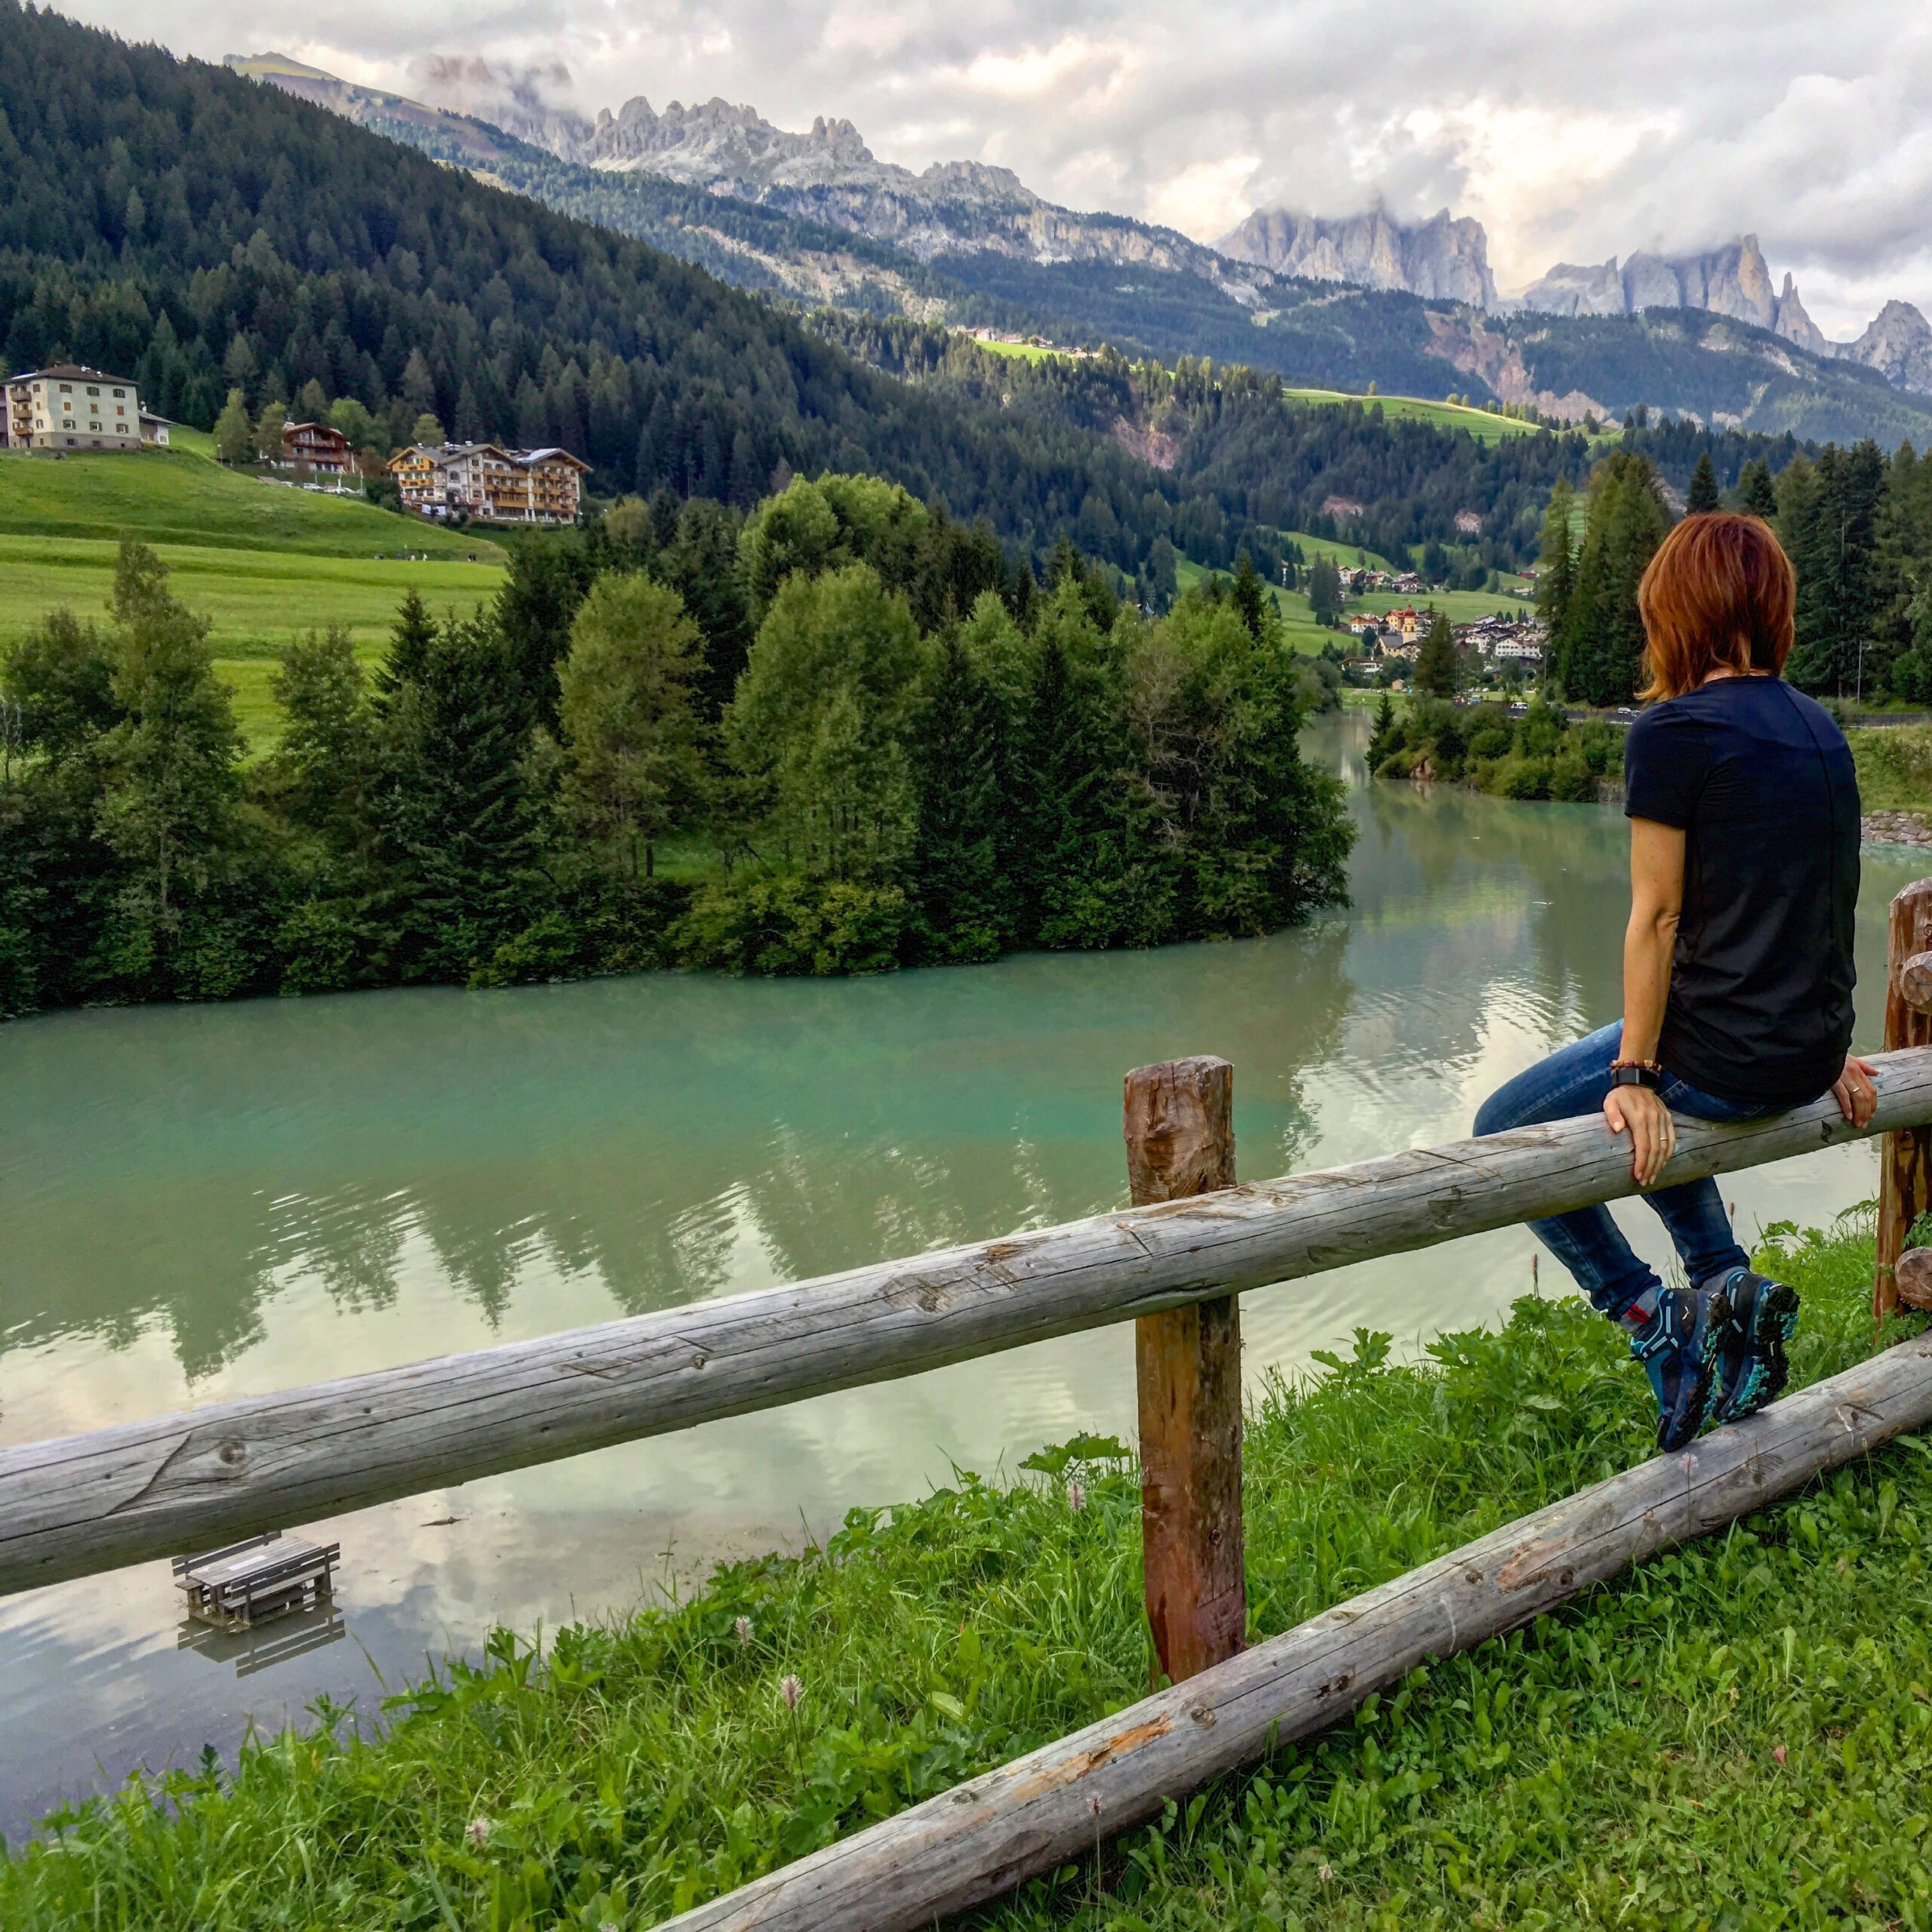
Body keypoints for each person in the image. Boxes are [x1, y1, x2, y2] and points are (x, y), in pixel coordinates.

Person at [1475, 510, 1876, 1450]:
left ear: (1676, 608)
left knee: (1504, 1124)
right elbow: (1819, 897)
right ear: (1769, 606)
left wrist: (1632, 1073)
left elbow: (1656, 917)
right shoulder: (1823, 729)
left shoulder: (1673, 731)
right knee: (1657, 1067)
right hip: (1802, 1053)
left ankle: (1647, 1313)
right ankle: (1726, 1286)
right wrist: (1823, 1042)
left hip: (1728, 1064)